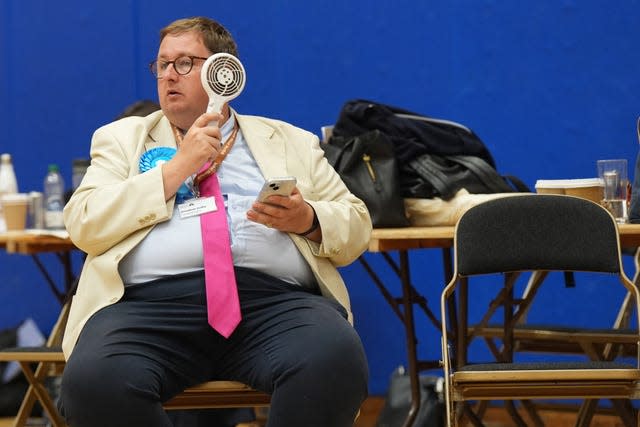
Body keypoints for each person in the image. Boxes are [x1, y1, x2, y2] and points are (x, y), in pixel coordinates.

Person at [58, 16, 372, 427]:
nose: (168, 75)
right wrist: (174, 171)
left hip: (273, 303)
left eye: (184, 63)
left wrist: (308, 218)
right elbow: (84, 223)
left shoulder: (290, 141)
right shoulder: (121, 140)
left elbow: (357, 222)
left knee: (334, 357)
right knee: (93, 382)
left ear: (223, 71)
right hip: (148, 309)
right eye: (161, 64)